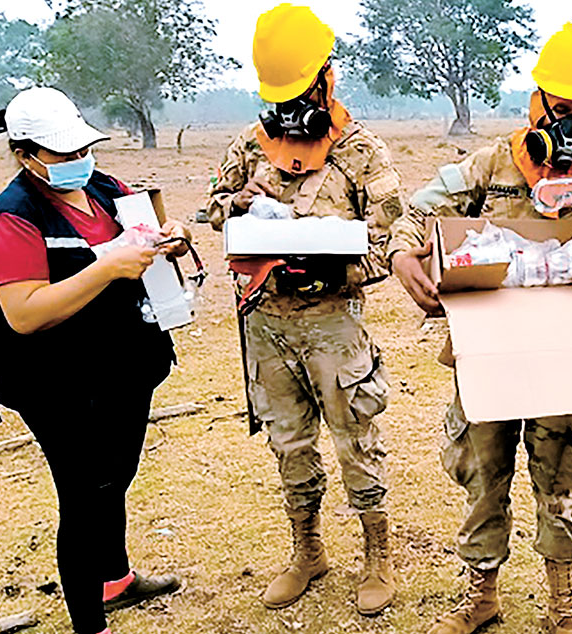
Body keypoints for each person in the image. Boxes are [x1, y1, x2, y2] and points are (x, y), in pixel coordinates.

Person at [387, 23, 572, 634]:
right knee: (483, 478)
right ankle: (482, 597)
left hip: (565, 367)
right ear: (536, 106)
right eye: (561, 111)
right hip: (487, 363)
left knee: (560, 481)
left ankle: (561, 605)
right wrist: (402, 255)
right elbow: (417, 211)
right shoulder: (489, 166)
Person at [0, 86, 190, 634]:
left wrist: (169, 239)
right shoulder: (9, 221)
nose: (79, 162)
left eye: (83, 148)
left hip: (123, 365)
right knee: (84, 496)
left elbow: (143, 234)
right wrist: (108, 268)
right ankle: (91, 623)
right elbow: (25, 312)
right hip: (56, 383)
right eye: (63, 154)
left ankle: (115, 579)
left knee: (115, 477)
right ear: (24, 155)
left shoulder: (106, 189)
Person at [204, 3, 405, 616]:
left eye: (301, 91)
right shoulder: (248, 142)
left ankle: (377, 557)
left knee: (355, 440)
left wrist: (334, 257)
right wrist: (237, 202)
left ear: (326, 77)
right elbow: (213, 210)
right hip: (265, 321)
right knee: (288, 443)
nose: (291, 109)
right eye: (278, 96)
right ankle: (308, 551)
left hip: (332, 322)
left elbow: (393, 234)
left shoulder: (361, 150)